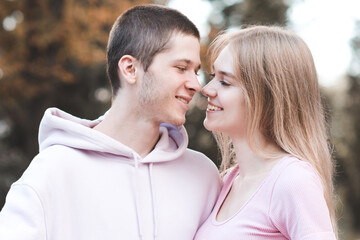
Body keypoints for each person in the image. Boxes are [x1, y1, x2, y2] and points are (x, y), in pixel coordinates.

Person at [0, 5, 221, 240]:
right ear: (130, 69)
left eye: (195, 71)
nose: (196, 84)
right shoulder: (52, 171)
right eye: (181, 68)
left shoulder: (203, 175)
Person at [194, 25, 337, 239]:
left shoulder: (292, 179)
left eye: (224, 81)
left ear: (267, 96)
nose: (206, 89)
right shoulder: (227, 182)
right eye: (213, 75)